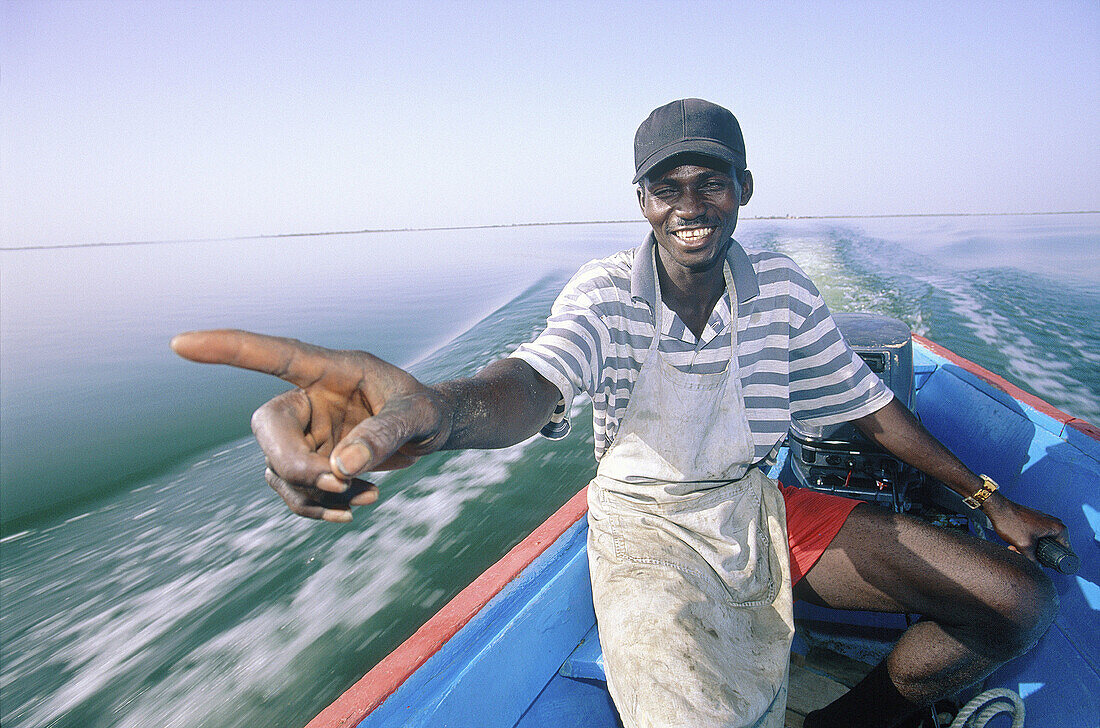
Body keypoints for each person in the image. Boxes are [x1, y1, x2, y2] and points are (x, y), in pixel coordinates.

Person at [172, 98, 1068, 728]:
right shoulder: (603, 294)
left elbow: (872, 410)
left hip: (758, 506)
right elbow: (533, 384)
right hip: (646, 523)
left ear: (743, 190)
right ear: (641, 200)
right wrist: (437, 411)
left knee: (1012, 601)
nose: (689, 205)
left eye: (708, 182)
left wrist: (988, 497)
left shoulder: (787, 291)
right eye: (666, 187)